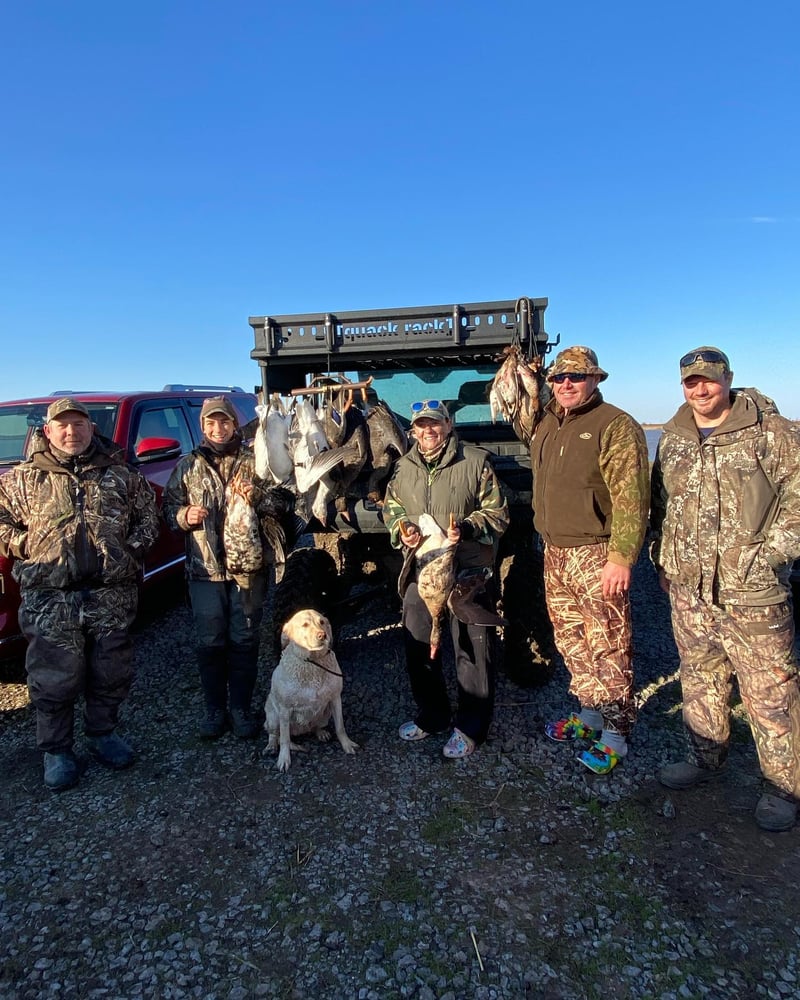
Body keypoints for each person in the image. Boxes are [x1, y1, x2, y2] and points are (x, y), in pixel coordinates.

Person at [651, 347, 800, 832]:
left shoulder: (772, 433)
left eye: (709, 380)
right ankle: (704, 758)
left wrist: (768, 557)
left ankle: (783, 788)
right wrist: (662, 557)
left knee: (770, 691)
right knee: (700, 676)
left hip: (752, 592)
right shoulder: (674, 439)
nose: (700, 389)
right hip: (690, 590)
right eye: (691, 382)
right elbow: (661, 506)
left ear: (728, 379)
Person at [0, 398, 159, 791]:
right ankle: (57, 750)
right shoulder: (22, 479)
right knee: (54, 677)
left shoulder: (121, 475)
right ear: (48, 431)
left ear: (91, 429)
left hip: (110, 594)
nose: (71, 432)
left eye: (79, 424)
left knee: (110, 670)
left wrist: (132, 549)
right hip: (50, 596)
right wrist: (24, 545)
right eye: (63, 426)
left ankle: (102, 734)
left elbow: (149, 518)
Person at [530, 346, 649, 774]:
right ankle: (590, 714)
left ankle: (616, 735)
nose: (566, 384)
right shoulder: (546, 423)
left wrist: (620, 557)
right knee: (572, 640)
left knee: (609, 643)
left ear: (595, 380)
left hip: (596, 553)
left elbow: (632, 498)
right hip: (555, 552)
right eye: (559, 378)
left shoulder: (615, 425)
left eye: (576, 378)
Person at [382, 399, 509, 758]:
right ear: (413, 430)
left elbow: (498, 515)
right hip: (423, 572)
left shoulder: (475, 462)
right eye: (421, 425)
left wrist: (467, 528)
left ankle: (471, 727)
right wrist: (401, 528)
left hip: (468, 571)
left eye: (435, 424)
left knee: (471, 647)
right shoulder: (403, 467)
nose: (428, 431)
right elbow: (392, 506)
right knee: (418, 643)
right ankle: (433, 715)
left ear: (449, 425)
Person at [163, 396, 294, 741]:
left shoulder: (256, 461)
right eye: (210, 423)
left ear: (235, 424)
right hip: (204, 571)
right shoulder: (187, 466)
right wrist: (183, 516)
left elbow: (285, 501)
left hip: (248, 568)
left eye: (224, 422)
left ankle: (240, 708)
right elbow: (168, 511)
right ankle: (214, 710)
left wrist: (258, 497)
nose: (218, 429)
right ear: (203, 426)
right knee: (210, 641)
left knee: (244, 639)